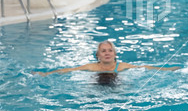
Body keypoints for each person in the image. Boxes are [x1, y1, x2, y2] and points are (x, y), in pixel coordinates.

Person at [33, 40, 180, 77]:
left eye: (110, 50)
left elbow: (145, 68)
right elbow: (69, 70)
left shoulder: (121, 66)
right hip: (97, 83)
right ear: (98, 55)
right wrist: (46, 74)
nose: (107, 53)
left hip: (116, 82)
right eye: (103, 51)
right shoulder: (92, 67)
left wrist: (168, 69)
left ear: (115, 54)